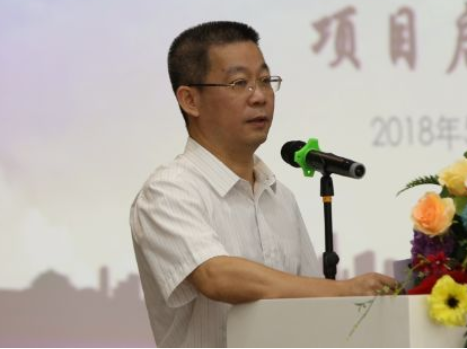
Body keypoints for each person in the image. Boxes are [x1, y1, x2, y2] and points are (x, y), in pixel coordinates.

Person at [130, 21, 396, 347]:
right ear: (190, 100)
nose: (259, 97)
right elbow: (216, 276)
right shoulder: (168, 191)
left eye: (265, 81)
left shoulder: (280, 197)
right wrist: (343, 290)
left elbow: (312, 299)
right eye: (239, 83)